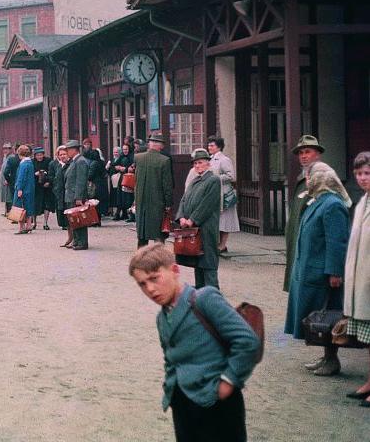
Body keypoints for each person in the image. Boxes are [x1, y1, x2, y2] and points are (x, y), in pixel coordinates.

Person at [128, 244, 260, 442]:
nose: (150, 289)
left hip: (216, 400)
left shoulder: (204, 298)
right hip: (183, 401)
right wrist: (171, 390)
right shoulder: (162, 317)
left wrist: (228, 380)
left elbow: (247, 341)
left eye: (154, 278)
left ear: (175, 270)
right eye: (142, 284)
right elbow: (170, 356)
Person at [284, 161, 351, 376]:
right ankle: (326, 356)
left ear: (322, 178)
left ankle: (333, 360)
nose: (308, 180)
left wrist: (335, 272)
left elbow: (337, 241)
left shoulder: (333, 204)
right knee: (320, 317)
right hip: (310, 269)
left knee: (329, 315)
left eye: (311, 176)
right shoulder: (318, 201)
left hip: (324, 273)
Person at [344, 151, 370, 407]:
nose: (363, 178)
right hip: (360, 277)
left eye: (368, 173)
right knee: (369, 338)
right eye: (359, 174)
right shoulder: (363, 201)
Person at [176, 148, 222, 289]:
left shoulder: (213, 180)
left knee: (208, 258)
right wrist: (181, 217)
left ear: (208, 163)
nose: (197, 166)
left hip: (206, 227)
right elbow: (184, 200)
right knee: (197, 257)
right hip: (193, 227)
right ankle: (200, 289)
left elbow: (207, 205)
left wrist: (192, 220)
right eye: (195, 163)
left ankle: (212, 290)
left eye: (200, 162)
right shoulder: (195, 180)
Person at [284, 135, 324, 292]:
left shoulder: (321, 178)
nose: (304, 156)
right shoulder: (302, 178)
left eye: (308, 151)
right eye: (300, 153)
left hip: (311, 246)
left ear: (317, 154)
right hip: (298, 242)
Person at [134, 132, 173, 247]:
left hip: (141, 201)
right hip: (158, 202)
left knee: (142, 234)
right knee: (159, 234)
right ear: (159, 145)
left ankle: (141, 259)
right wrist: (169, 203)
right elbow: (167, 185)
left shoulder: (138, 158)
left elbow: (136, 180)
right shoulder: (164, 160)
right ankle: (159, 259)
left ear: (150, 144)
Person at [204, 137, 240, 253]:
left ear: (219, 147)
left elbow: (231, 176)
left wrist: (216, 178)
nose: (209, 147)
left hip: (224, 193)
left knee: (225, 219)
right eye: (209, 145)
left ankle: (222, 245)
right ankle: (217, 243)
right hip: (214, 192)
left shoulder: (224, 159)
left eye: (212, 145)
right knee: (218, 220)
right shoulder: (210, 159)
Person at [63, 140, 90, 250]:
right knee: (74, 220)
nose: (67, 152)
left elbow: (81, 180)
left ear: (74, 150)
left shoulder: (80, 161)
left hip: (76, 196)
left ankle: (82, 242)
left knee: (79, 219)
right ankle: (77, 241)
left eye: (68, 150)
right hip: (71, 195)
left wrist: (79, 197)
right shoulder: (75, 161)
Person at [12, 145, 36, 234]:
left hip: (23, 188)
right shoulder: (30, 163)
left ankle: (21, 227)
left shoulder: (23, 164)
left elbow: (21, 177)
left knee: (19, 207)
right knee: (28, 206)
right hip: (30, 188)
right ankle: (29, 225)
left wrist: (19, 189)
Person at [32, 147, 55, 230]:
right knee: (35, 205)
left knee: (46, 205)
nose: (39, 157)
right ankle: (34, 222)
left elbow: (52, 172)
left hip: (46, 186)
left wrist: (48, 181)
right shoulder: (32, 162)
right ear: (35, 156)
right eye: (38, 155)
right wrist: (35, 174)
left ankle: (45, 223)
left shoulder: (48, 161)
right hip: (36, 187)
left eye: (41, 155)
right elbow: (30, 174)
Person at [49, 146, 69, 232]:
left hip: (67, 189)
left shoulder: (70, 164)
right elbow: (51, 176)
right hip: (58, 189)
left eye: (64, 154)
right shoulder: (54, 164)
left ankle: (67, 223)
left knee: (67, 206)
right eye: (61, 154)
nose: (63, 156)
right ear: (58, 155)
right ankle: (62, 223)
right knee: (60, 206)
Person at [86, 148, 110, 220]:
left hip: (95, 185)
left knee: (94, 203)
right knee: (99, 203)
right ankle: (98, 220)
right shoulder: (101, 162)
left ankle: (95, 220)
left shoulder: (93, 163)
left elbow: (90, 175)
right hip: (102, 184)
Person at [112, 144, 134, 220]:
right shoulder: (121, 156)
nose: (125, 151)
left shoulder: (132, 156)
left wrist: (125, 168)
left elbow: (132, 168)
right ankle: (122, 213)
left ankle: (130, 215)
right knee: (120, 196)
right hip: (122, 178)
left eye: (126, 149)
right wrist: (118, 167)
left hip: (129, 178)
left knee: (128, 196)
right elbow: (114, 165)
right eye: (124, 149)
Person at [2, 143, 20, 217]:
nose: (5, 150)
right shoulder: (7, 157)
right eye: (4, 149)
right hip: (17, 181)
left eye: (7, 148)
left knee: (13, 199)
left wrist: (8, 180)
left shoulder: (11, 158)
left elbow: (6, 172)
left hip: (13, 181)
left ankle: (15, 216)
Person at [106, 146, 121, 217]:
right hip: (112, 180)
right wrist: (107, 167)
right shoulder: (112, 160)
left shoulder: (120, 159)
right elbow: (108, 170)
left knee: (118, 196)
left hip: (118, 179)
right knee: (113, 196)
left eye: (117, 152)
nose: (115, 153)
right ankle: (114, 212)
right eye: (114, 152)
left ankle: (117, 212)